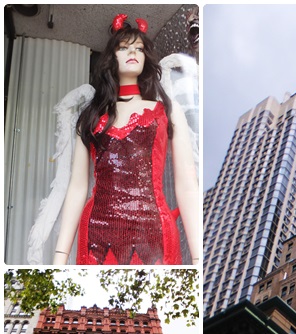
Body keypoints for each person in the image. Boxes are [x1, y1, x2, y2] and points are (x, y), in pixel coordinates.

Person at [47, 15, 199, 265]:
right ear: (112, 57)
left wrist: (198, 257)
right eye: (124, 47)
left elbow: (187, 184)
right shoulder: (91, 116)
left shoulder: (166, 111)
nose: (133, 53)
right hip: (97, 229)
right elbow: (77, 187)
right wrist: (59, 256)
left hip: (152, 231)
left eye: (139, 48)